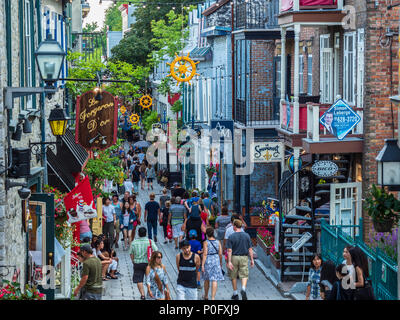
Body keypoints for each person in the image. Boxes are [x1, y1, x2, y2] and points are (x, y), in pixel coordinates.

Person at [226, 219, 254, 300]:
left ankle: (235, 293)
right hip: (244, 257)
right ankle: (243, 288)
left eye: (233, 225)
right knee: (244, 274)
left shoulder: (231, 237)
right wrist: (252, 260)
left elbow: (229, 250)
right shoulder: (247, 235)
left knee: (233, 275)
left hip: (234, 257)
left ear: (235, 226)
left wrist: (229, 261)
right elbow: (250, 249)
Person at [130, 227, 159, 300]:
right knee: (149, 279)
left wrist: (133, 261)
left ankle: (142, 295)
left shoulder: (134, 242)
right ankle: (150, 292)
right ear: (145, 233)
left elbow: (131, 254)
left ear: (138, 234)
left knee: (139, 279)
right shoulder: (150, 241)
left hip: (137, 263)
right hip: (148, 263)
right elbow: (156, 250)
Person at [201, 227, 224, 300]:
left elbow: (204, 254)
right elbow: (220, 253)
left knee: (206, 279)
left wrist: (202, 265)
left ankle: (206, 296)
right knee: (214, 279)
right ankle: (213, 298)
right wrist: (220, 262)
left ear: (207, 234)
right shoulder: (218, 242)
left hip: (208, 260)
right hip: (216, 260)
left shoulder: (206, 242)